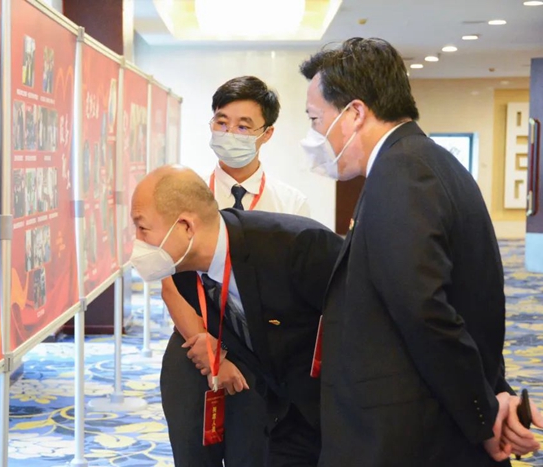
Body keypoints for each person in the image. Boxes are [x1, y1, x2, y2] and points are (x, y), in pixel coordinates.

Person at [298, 37, 543, 466]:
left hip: (407, 434)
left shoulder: (402, 173)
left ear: (354, 113)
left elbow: (426, 313)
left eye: (316, 119)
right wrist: (492, 394)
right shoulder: (423, 160)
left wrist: (484, 416)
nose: (314, 136)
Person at [131, 165, 342, 466]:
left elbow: (365, 332)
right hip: (282, 413)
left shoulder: (298, 247)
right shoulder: (184, 273)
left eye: (142, 228)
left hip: (339, 409)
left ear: (186, 226)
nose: (137, 242)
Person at [158, 76, 312, 467]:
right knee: (194, 457)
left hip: (263, 358)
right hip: (193, 345)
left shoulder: (291, 204)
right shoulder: (183, 198)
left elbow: (299, 293)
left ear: (267, 133)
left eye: (244, 126)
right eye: (222, 122)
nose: (230, 133)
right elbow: (170, 284)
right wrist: (206, 347)